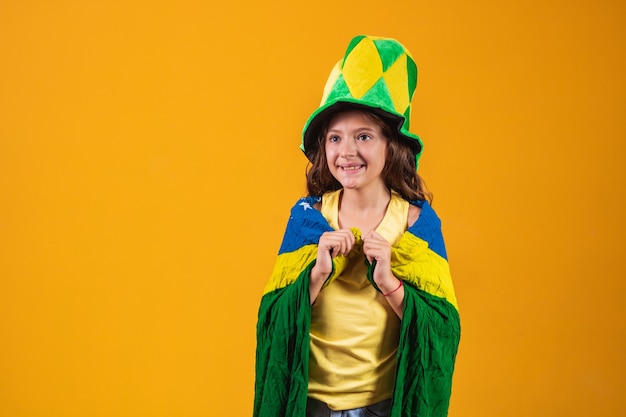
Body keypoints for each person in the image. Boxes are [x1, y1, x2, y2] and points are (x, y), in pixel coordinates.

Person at [254, 35, 460, 417]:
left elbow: (442, 328)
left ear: (391, 146)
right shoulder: (308, 218)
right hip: (309, 403)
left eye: (363, 136)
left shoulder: (415, 223)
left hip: (381, 407)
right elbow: (272, 318)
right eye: (335, 138)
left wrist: (390, 285)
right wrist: (316, 275)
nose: (346, 151)